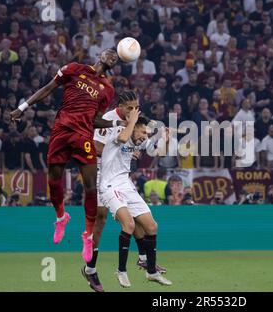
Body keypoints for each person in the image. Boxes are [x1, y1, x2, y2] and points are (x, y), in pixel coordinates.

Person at [10, 49, 120, 263]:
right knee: (54, 179)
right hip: (61, 131)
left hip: (83, 136)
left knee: (90, 185)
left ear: (115, 64)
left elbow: (96, 119)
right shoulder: (74, 69)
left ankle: (87, 235)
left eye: (116, 56)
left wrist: (116, 123)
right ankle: (61, 217)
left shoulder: (107, 89)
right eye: (110, 52)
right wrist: (22, 107)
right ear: (99, 54)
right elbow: (48, 88)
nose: (112, 55)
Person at [82, 91, 166, 292]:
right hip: (99, 171)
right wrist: (125, 144)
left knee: (131, 216)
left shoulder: (134, 122)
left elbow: (144, 143)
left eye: (136, 106)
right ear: (119, 106)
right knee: (100, 220)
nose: (133, 110)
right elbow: (97, 148)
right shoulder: (108, 119)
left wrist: (133, 143)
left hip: (118, 174)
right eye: (129, 107)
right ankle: (90, 269)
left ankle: (144, 259)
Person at [97, 111, 172, 287]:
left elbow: (159, 152)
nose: (145, 137)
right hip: (109, 185)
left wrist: (166, 140)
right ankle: (121, 271)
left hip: (126, 184)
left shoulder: (139, 139)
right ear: (133, 128)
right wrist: (132, 121)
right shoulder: (119, 134)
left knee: (152, 226)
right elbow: (124, 139)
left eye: (146, 134)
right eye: (143, 132)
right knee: (129, 225)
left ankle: (151, 271)